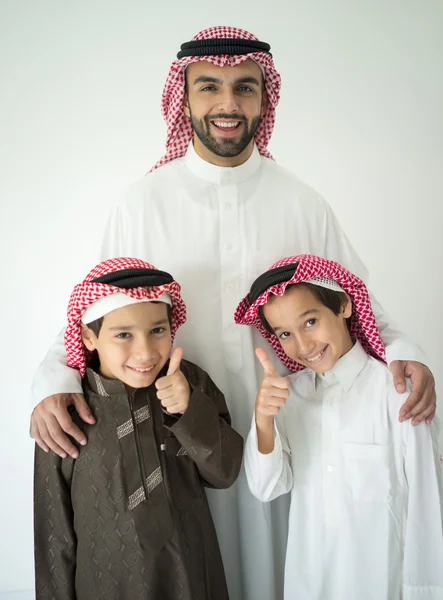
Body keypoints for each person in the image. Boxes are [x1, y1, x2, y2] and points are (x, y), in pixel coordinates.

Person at [30, 26, 436, 600]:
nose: (227, 104)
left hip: (286, 438)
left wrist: (408, 355)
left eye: (245, 88)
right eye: (209, 87)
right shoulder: (142, 203)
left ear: (265, 99)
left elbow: (360, 304)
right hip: (181, 441)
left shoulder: (301, 201)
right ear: (185, 98)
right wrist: (51, 382)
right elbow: (97, 310)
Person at [34, 256, 243, 600]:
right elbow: (53, 532)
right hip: (106, 585)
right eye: (123, 335)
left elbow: (226, 472)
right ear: (88, 336)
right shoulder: (63, 411)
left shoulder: (189, 382)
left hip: (191, 578)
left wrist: (189, 410)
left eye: (157, 331)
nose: (145, 352)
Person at [236, 254, 443, 600]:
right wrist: (263, 420)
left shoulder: (396, 395)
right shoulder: (291, 397)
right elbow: (267, 487)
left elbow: (427, 507)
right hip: (309, 584)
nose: (303, 346)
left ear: (344, 305)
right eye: (285, 333)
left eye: (310, 321)